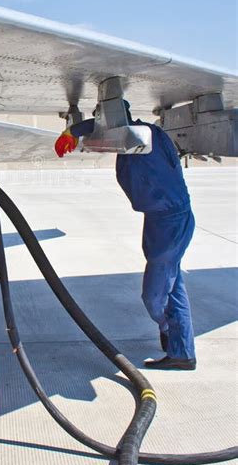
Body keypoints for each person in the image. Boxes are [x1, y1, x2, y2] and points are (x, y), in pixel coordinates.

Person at [54, 101, 196, 370]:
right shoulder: (134, 140)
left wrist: (74, 130)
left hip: (170, 222)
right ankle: (181, 350)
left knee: (154, 297)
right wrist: (74, 131)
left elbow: (105, 127)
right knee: (172, 285)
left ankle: (172, 333)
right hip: (161, 221)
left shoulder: (144, 136)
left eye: (102, 118)